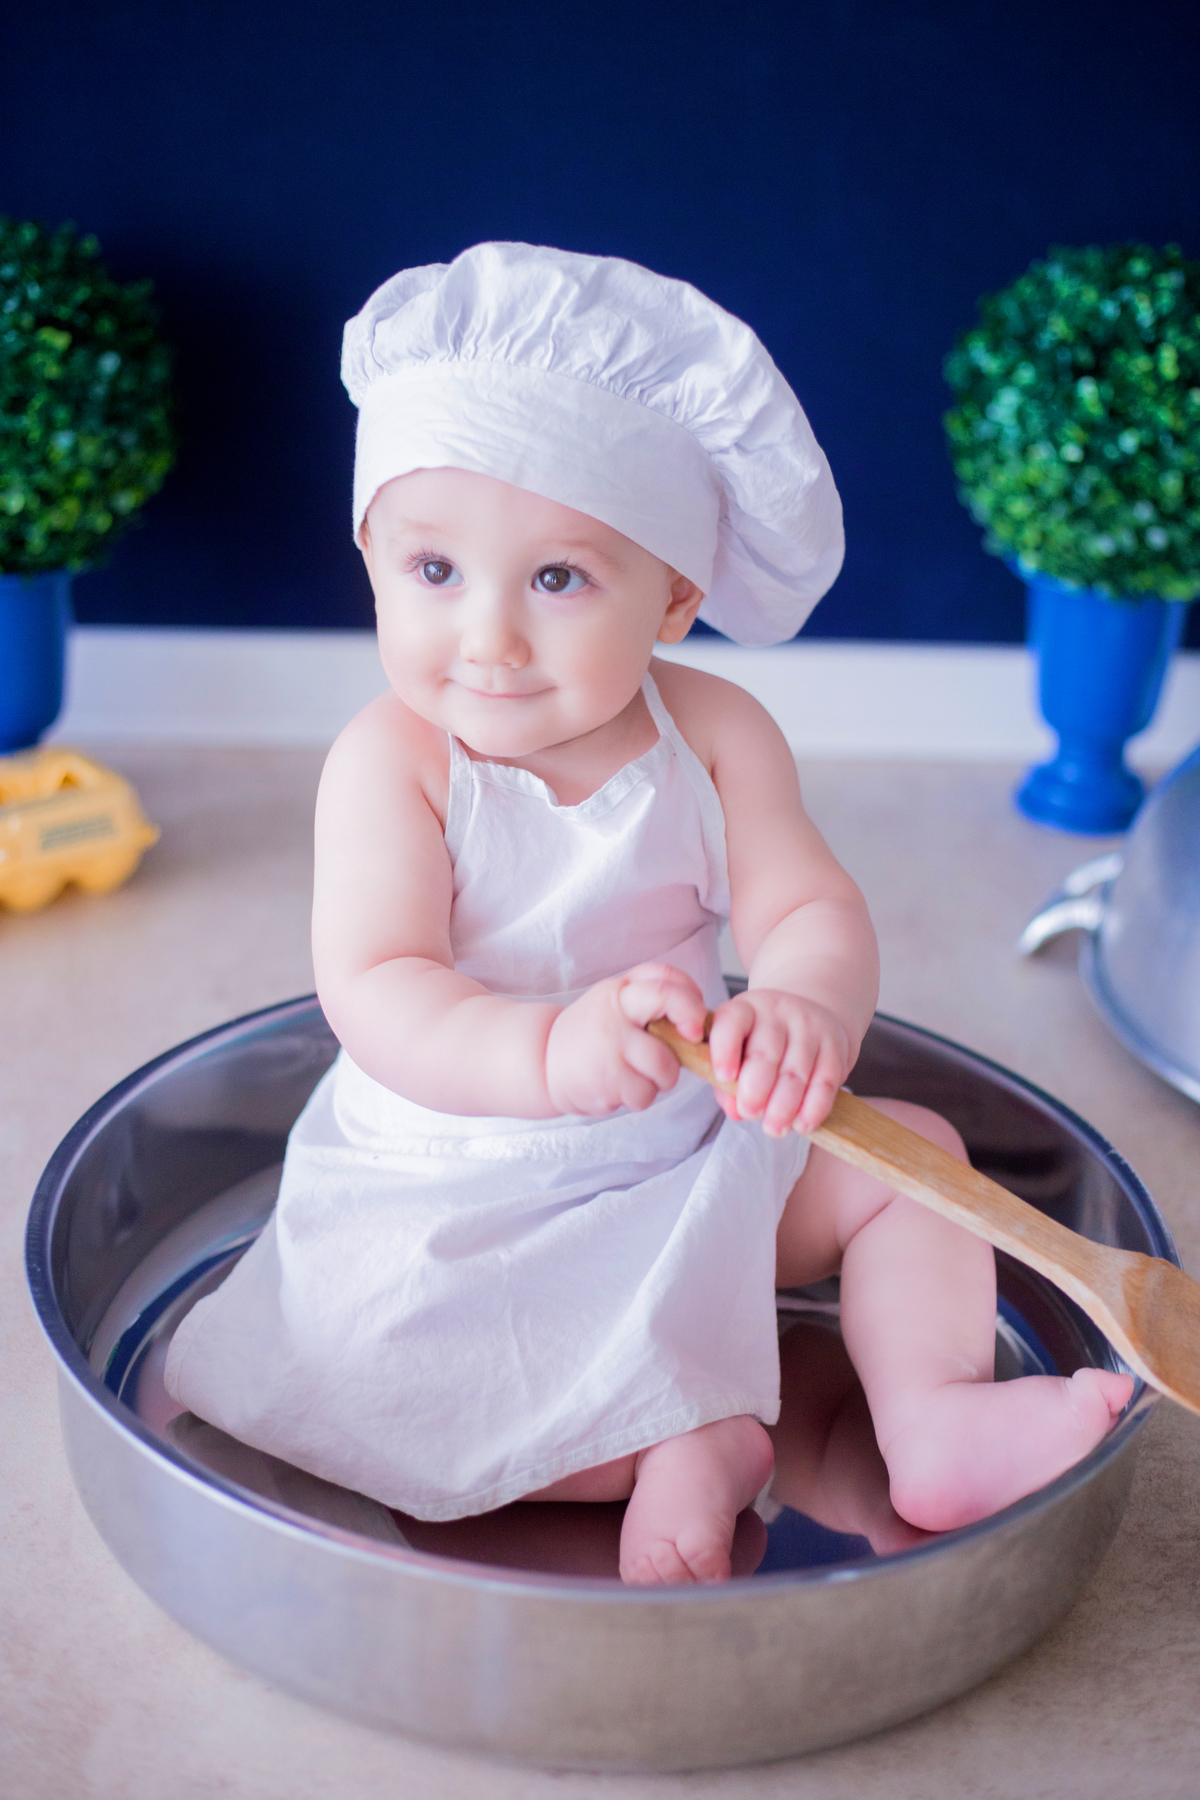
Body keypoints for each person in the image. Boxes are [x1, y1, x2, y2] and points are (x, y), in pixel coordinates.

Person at [165, 244, 1132, 1584]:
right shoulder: (392, 761)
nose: (489, 637)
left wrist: (804, 1002)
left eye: (557, 580)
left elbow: (808, 903)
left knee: (919, 1162)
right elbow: (379, 982)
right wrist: (547, 1055)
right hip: (457, 1185)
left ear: (676, 596)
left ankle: (933, 1421)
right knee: (391, 1367)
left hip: (683, 1148)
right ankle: (697, 1436)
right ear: (370, 556)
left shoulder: (717, 733)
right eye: (434, 571)